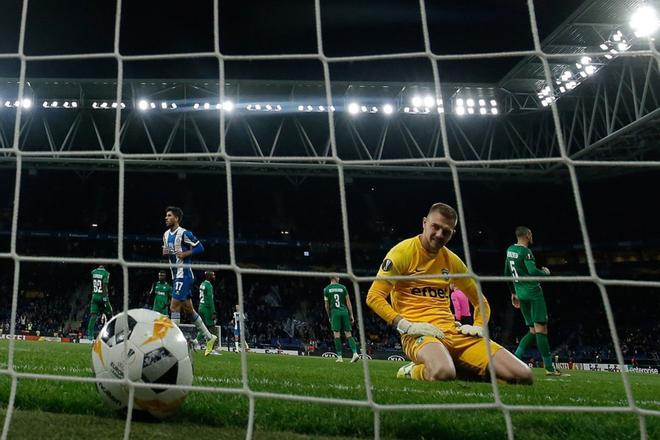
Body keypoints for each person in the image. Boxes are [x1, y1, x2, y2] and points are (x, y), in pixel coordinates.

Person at [366, 203, 532, 384]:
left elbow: (480, 301)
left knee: (522, 375)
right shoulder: (402, 252)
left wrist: (478, 326)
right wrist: (407, 326)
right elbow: (374, 296)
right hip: (420, 334)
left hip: (454, 332)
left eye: (445, 231)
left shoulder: (452, 261)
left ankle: (456, 367)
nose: (439, 234)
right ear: (424, 223)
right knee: (442, 372)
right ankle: (412, 370)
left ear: (452, 234)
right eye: (435, 227)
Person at [504, 226, 564, 376]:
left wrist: (513, 293)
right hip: (533, 293)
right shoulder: (526, 252)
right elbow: (532, 272)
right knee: (542, 329)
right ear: (528, 235)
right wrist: (545, 272)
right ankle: (549, 368)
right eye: (531, 234)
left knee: (532, 330)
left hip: (520, 293)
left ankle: (514, 361)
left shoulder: (510, 250)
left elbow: (506, 273)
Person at [162, 206, 217, 356]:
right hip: (175, 276)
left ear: (177, 218)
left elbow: (200, 247)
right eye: (166, 216)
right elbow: (167, 252)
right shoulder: (166, 235)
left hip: (184, 275)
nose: (166, 218)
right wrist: (165, 252)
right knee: (189, 310)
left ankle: (174, 344)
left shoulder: (185, 233)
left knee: (174, 307)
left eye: (169, 216)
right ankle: (209, 337)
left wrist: (185, 253)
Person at [323, 276, 360, 363]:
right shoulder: (343, 287)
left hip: (335, 313)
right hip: (344, 312)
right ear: (334, 278)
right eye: (338, 276)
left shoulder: (326, 289)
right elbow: (348, 302)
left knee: (336, 335)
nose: (339, 278)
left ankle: (339, 357)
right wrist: (351, 314)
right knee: (348, 334)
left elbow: (326, 306)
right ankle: (355, 353)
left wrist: (329, 316)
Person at [87, 265, 113, 340]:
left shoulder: (94, 272)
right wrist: (105, 298)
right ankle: (110, 333)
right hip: (102, 296)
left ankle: (90, 336)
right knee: (110, 314)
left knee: (93, 317)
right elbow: (104, 286)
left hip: (94, 296)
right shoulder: (106, 273)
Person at [197, 271, 217, 349]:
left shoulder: (202, 284)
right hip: (207, 309)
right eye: (213, 275)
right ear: (209, 276)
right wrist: (213, 312)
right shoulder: (209, 286)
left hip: (200, 307)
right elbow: (210, 300)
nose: (214, 276)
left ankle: (196, 342)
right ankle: (211, 348)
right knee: (212, 328)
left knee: (204, 327)